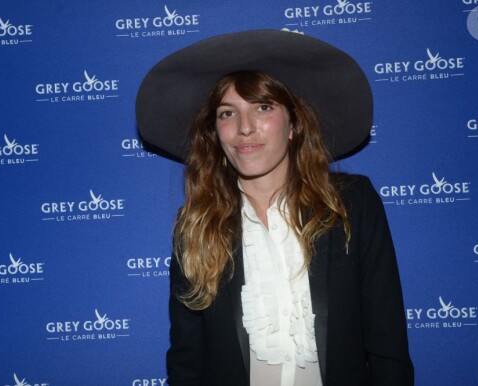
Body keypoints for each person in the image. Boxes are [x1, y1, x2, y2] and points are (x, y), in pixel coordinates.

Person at [136, 30, 414, 386]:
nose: (245, 128)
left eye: (263, 107)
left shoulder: (352, 203)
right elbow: (187, 362)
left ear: (295, 123)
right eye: (226, 113)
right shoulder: (197, 226)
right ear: (214, 132)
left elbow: (388, 345)